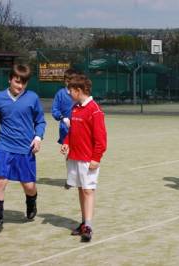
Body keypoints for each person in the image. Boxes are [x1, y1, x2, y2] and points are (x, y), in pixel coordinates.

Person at [0, 64, 46, 233]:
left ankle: (31, 201)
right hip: (4, 146)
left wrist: (37, 137)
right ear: (10, 79)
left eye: (24, 83)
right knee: (0, 182)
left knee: (28, 186)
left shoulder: (32, 98)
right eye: (17, 81)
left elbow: (40, 121)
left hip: (25, 149)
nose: (20, 86)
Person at [60, 74, 107, 242]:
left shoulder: (95, 110)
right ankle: (83, 222)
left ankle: (88, 225)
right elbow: (72, 132)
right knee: (81, 189)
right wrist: (67, 142)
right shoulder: (75, 108)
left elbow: (101, 140)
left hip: (88, 159)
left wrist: (96, 158)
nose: (69, 93)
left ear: (78, 90)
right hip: (75, 157)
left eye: (70, 91)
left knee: (88, 190)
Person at [51, 68, 77, 145]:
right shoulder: (60, 94)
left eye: (71, 81)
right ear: (64, 81)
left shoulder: (79, 92)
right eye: (67, 81)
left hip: (78, 127)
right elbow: (55, 110)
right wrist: (62, 118)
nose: (69, 84)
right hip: (64, 129)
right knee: (67, 153)